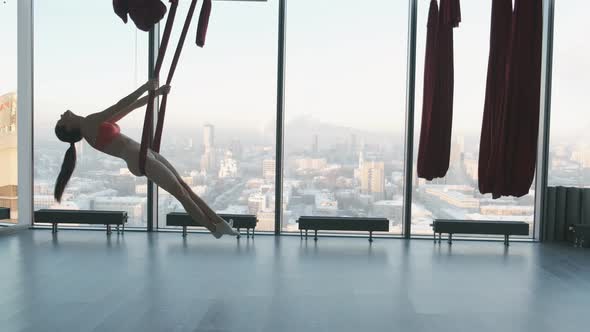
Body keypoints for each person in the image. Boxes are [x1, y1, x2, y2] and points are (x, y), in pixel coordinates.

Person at [54, 79, 238, 238]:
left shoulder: (91, 124)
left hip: (144, 152)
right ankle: (214, 228)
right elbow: (120, 104)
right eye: (61, 119)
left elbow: (129, 107)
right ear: (68, 128)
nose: (62, 114)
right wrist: (145, 87)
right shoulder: (88, 124)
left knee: (184, 187)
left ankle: (219, 223)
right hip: (138, 158)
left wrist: (156, 93)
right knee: (181, 193)